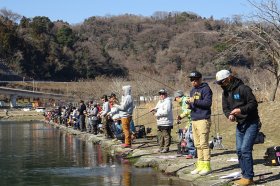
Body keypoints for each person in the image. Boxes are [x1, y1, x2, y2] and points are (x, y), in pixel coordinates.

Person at [215, 69, 259, 186]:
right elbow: (225, 108)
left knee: (245, 149)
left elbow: (253, 103)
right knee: (239, 150)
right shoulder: (225, 93)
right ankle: (244, 175)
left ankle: (249, 177)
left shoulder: (244, 88)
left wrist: (240, 110)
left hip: (251, 122)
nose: (220, 85)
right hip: (240, 124)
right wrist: (229, 115)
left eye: (222, 82)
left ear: (229, 78)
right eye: (218, 83)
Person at [187, 71, 213, 175]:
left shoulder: (206, 89)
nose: (193, 82)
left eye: (195, 80)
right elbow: (194, 105)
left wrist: (195, 101)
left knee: (204, 144)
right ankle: (200, 165)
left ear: (200, 79)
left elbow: (207, 103)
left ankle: (207, 166)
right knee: (197, 144)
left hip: (203, 119)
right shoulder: (192, 90)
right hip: (194, 119)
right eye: (192, 80)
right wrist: (189, 104)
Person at [174, 90, 196, 159]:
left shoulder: (186, 100)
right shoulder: (182, 103)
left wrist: (181, 116)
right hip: (191, 121)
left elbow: (189, 111)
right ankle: (192, 153)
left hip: (195, 119)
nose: (176, 101)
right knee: (187, 136)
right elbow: (189, 117)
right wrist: (186, 127)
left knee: (191, 137)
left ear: (178, 97)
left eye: (176, 99)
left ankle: (194, 153)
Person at [150, 88, 173, 153]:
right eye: (160, 94)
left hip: (166, 122)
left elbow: (166, 112)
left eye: (163, 94)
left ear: (166, 94)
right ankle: (161, 147)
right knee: (160, 136)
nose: (161, 95)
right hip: (160, 122)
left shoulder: (168, 101)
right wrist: (154, 109)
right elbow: (157, 108)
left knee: (166, 136)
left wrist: (157, 114)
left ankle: (166, 148)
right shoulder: (160, 101)